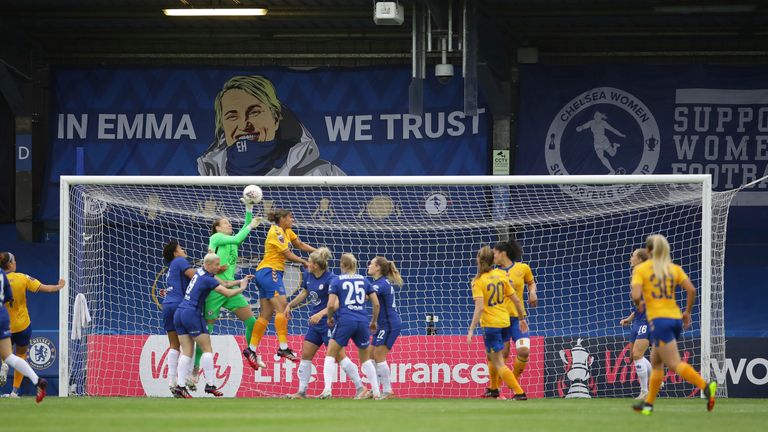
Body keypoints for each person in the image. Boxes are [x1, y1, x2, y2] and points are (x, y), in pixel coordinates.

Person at [631, 234, 716, 415]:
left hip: (660, 320)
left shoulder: (642, 269)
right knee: (655, 361)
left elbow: (636, 296)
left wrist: (642, 302)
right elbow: (691, 290)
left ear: (648, 250)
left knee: (673, 363)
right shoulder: (673, 268)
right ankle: (648, 405)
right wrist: (687, 312)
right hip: (675, 318)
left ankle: (706, 386)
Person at [197, 75, 345, 176]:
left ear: (276, 117)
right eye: (232, 116)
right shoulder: (206, 178)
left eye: (254, 112)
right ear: (222, 124)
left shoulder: (324, 174)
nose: (243, 125)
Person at [283, 248, 367, 399]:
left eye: (309, 262)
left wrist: (320, 314)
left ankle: (361, 387)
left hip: (330, 323)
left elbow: (336, 304)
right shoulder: (309, 275)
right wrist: (290, 305)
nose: (307, 263)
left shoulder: (332, 279)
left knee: (340, 357)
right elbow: (305, 292)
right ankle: (301, 392)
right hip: (315, 325)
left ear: (315, 265)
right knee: (306, 355)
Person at [172, 253, 252, 398]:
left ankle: (180, 387)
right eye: (216, 265)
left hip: (180, 313)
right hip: (192, 314)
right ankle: (210, 384)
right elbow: (227, 293)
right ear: (208, 265)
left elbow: (226, 283)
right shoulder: (208, 279)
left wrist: (241, 279)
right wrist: (242, 287)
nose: (219, 267)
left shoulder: (201, 272)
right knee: (207, 349)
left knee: (187, 352)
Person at [244, 209, 315, 366]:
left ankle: (251, 349)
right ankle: (283, 347)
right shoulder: (276, 231)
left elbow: (300, 244)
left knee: (265, 316)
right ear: (282, 218)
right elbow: (288, 254)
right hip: (271, 271)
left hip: (267, 273)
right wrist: (305, 262)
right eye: (290, 217)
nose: (293, 219)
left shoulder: (287, 231)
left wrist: (317, 252)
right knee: (282, 309)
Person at [201, 202, 262, 380]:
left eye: (229, 222)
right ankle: (196, 369)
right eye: (226, 223)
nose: (230, 224)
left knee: (252, 321)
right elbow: (240, 235)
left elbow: (242, 230)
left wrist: (249, 208)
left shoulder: (232, 242)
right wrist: (250, 226)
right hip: (215, 289)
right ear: (217, 228)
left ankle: (251, 351)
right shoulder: (217, 238)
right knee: (207, 331)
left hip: (231, 288)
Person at [467, 245, 528, 401]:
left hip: (491, 325)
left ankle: (519, 392)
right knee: (492, 356)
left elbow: (479, 307)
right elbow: (515, 299)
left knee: (498, 362)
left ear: (479, 260)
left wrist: (471, 329)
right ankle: (493, 390)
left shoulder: (478, 281)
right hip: (505, 322)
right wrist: (521, 318)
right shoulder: (501, 275)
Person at [0, 252, 64, 398]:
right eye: (14, 260)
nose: (16, 262)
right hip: (22, 325)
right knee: (20, 355)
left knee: (5, 353)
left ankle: (3, 363)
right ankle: (15, 391)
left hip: (4, 325)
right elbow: (46, 288)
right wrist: (59, 286)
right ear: (10, 264)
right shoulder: (22, 278)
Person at [320, 253, 380, 399]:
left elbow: (330, 305)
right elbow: (376, 303)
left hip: (346, 320)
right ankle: (377, 392)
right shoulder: (364, 280)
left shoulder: (337, 280)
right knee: (365, 359)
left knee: (330, 354)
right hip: (362, 320)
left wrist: (329, 318)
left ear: (342, 265)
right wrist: (373, 321)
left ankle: (327, 390)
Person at [486, 240, 538, 398]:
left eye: (494, 252)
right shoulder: (494, 274)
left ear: (503, 253)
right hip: (501, 321)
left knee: (524, 351)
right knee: (501, 355)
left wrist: (532, 292)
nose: (492, 256)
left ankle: (513, 383)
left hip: (518, 320)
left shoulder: (523, 268)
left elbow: (531, 283)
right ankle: (493, 389)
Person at [0, 268, 47, 403]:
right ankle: (37, 380)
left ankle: (4, 364)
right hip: (8, 318)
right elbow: (9, 296)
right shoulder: (5, 275)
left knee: (6, 357)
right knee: (10, 355)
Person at [160, 241, 198, 393]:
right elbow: (193, 275)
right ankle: (187, 377)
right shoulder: (180, 261)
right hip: (179, 305)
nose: (183, 250)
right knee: (190, 344)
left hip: (167, 305)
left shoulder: (170, 268)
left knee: (174, 345)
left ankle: (171, 381)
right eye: (181, 248)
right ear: (176, 253)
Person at [366, 256, 403, 399]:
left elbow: (367, 297)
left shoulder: (380, 284)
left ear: (378, 268)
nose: (369, 265)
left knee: (379, 356)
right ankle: (375, 389)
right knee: (370, 356)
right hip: (382, 325)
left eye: (372, 264)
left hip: (389, 325)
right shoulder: (379, 283)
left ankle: (388, 391)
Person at [619, 248, 652, 400]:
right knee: (634, 355)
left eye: (633, 256)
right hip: (639, 318)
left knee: (638, 354)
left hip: (649, 318)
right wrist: (629, 319)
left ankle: (645, 391)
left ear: (639, 259)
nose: (630, 258)